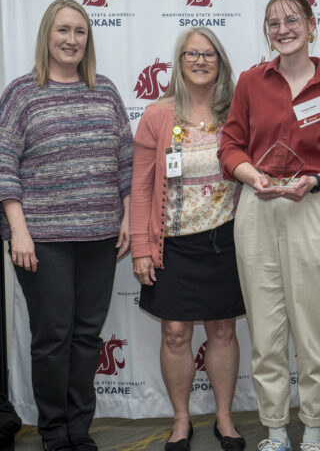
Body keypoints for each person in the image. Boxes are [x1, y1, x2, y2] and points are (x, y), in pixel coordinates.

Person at [218, 0, 320, 451]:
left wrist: (318, 181)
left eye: (291, 20)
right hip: (257, 208)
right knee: (266, 331)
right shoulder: (250, 82)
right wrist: (252, 176)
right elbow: (230, 146)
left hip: (310, 208)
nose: (283, 30)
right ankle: (276, 432)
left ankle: (316, 431)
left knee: (313, 329)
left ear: (311, 23)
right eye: (273, 24)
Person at [0, 0, 132, 451]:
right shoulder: (21, 93)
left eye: (80, 32)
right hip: (42, 240)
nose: (71, 40)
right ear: (46, 37)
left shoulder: (106, 90)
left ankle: (79, 429)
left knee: (87, 336)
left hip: (101, 236)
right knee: (53, 337)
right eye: (63, 30)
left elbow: (126, 161)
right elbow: (3, 165)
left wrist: (128, 216)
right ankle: (54, 431)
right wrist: (19, 230)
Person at [130, 27, 246, 451]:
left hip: (225, 241)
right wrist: (141, 249)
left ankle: (225, 418)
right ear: (178, 61)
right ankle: (181, 420)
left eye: (209, 54)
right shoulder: (158, 115)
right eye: (191, 54)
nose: (200, 61)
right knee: (176, 333)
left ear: (221, 61)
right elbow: (141, 187)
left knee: (222, 331)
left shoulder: (237, 110)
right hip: (173, 243)